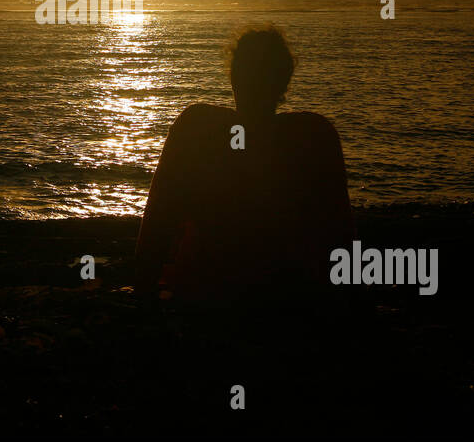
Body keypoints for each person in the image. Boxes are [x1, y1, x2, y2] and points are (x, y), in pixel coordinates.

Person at [134, 24, 354, 303]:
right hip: (291, 297)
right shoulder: (314, 136)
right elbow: (340, 234)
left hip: (207, 295)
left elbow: (158, 220)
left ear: (233, 76)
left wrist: (144, 293)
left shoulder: (196, 128)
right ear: (284, 80)